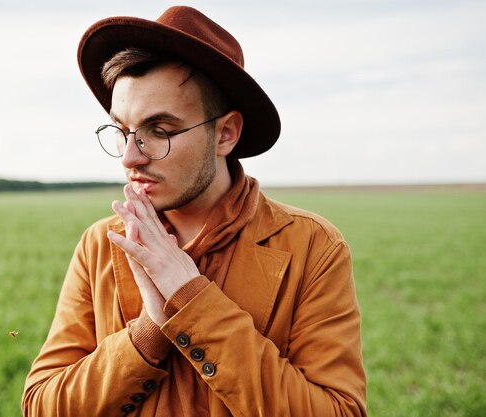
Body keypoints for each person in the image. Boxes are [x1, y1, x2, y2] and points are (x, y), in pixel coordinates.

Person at [22, 6, 367, 417]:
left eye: (159, 132)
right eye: (122, 132)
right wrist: (150, 329)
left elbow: (340, 412)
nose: (130, 157)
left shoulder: (312, 246)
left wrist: (192, 302)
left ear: (225, 134)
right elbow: (41, 406)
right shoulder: (100, 244)